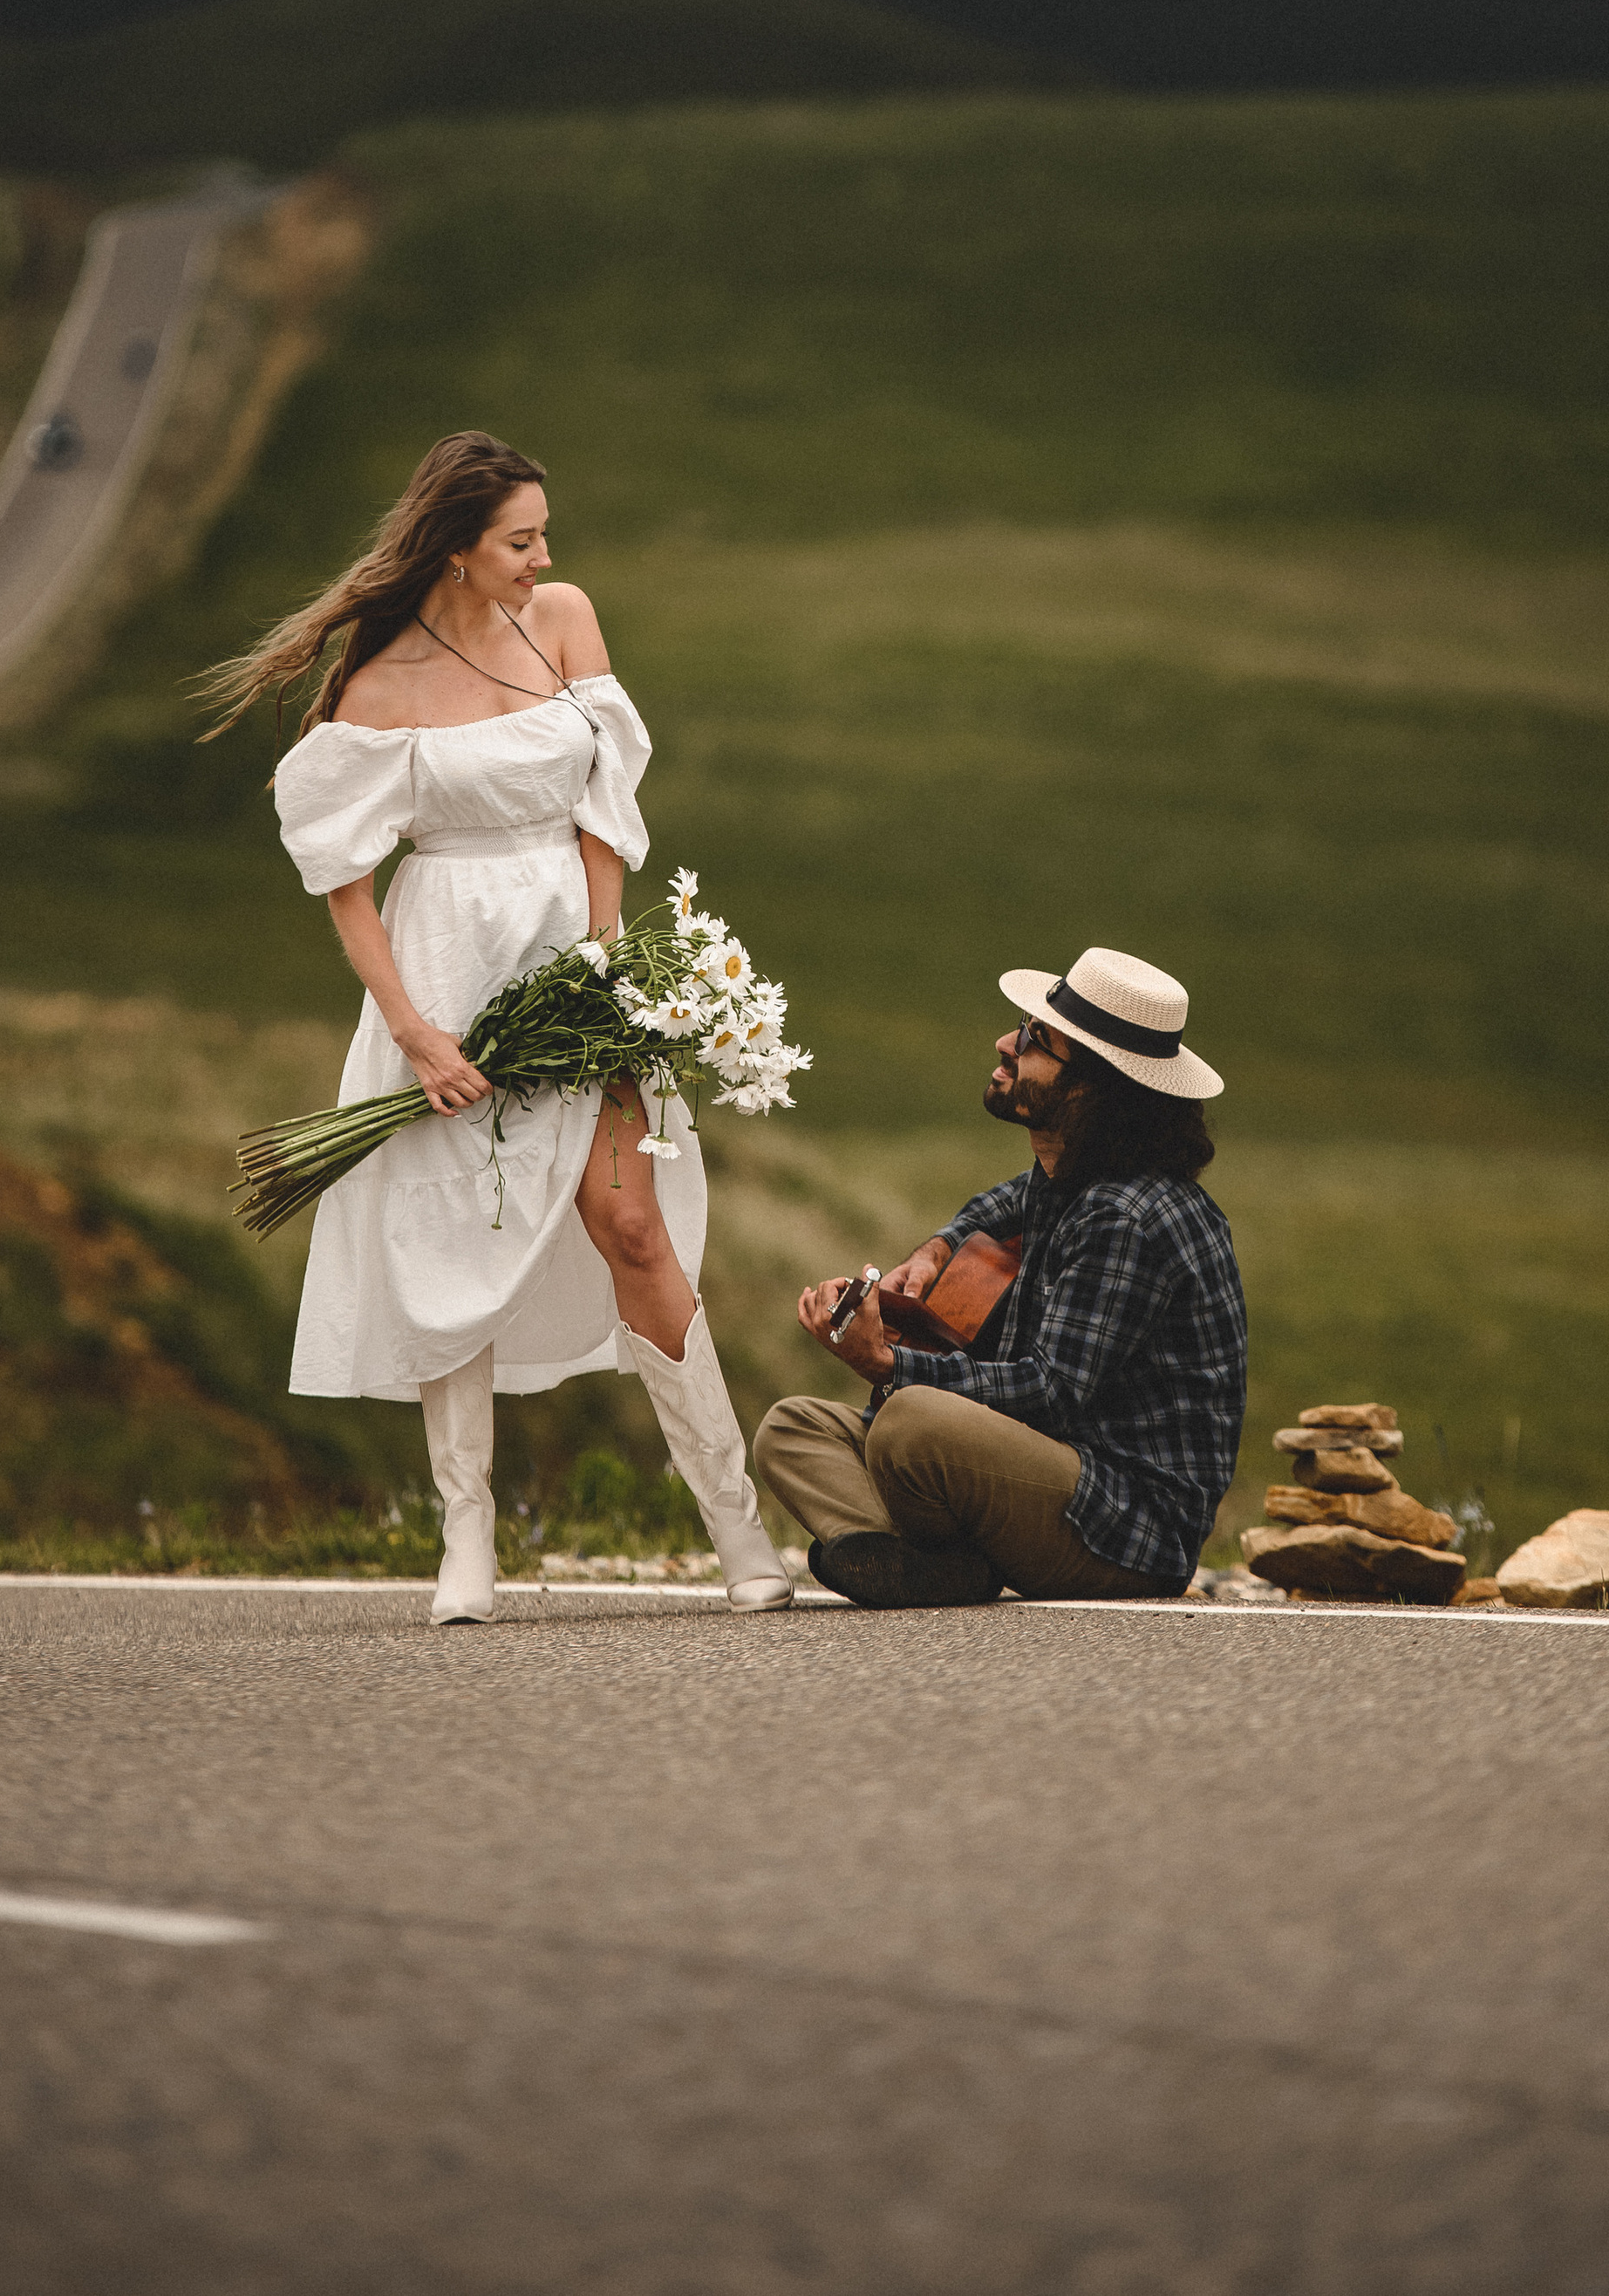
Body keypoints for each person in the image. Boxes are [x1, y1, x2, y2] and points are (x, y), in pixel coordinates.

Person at [197, 429, 789, 1623]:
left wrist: (605, 955)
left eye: (541, 536)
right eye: (520, 539)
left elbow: (605, 801)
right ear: (457, 547)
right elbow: (344, 881)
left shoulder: (562, 617)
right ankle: (465, 1535)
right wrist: (415, 1032)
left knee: (634, 1224)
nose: (543, 556)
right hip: (446, 967)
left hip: (574, 962)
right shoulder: (378, 685)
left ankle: (740, 1532)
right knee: (451, 1241)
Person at [754, 946, 1246, 1607]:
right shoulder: (1072, 1175)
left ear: (1090, 1089)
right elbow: (1009, 1202)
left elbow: (1050, 1392)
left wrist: (884, 1362)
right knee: (791, 1429)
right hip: (1047, 1481)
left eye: (1036, 1040)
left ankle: (921, 1556)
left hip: (1124, 1526)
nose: (1005, 1042)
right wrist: (937, 1249)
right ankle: (939, 1568)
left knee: (910, 1423)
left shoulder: (1129, 1217)